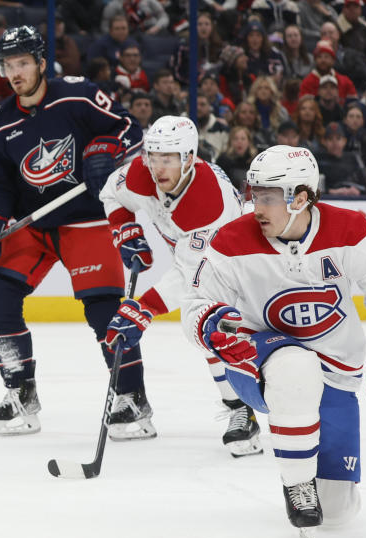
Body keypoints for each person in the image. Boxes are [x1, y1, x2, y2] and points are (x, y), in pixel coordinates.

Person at [180, 144, 366, 538]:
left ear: (302, 197)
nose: (256, 206)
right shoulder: (231, 240)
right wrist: (210, 325)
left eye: (268, 197)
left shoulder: (351, 230)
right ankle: (297, 482)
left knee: (338, 513)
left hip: (337, 372)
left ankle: (316, 479)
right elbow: (195, 304)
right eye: (254, 193)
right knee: (296, 365)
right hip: (256, 361)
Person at [0, 26, 142, 436]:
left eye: (23, 62)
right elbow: (0, 188)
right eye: (8, 64)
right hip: (35, 224)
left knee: (104, 313)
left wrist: (106, 151)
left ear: (42, 62)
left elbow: (130, 130)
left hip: (87, 219)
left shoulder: (76, 96)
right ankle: (21, 396)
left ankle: (133, 400)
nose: (15, 72)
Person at [100, 117, 259, 451]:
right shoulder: (140, 174)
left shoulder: (208, 202)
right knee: (208, 332)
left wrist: (143, 309)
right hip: (198, 262)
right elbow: (111, 192)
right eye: (153, 156)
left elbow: (191, 276)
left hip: (241, 262)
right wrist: (125, 229)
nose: (158, 166)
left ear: (189, 157)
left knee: (224, 331)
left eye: (168, 158)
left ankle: (251, 406)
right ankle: (240, 407)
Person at [316, 121, 366, 195]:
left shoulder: (354, 158)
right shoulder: (318, 160)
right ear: (324, 142)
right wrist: (331, 192)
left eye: (338, 138)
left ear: (344, 141)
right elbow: (313, 188)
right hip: (328, 201)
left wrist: (358, 191)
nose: (334, 142)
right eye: (330, 139)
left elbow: (365, 185)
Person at [196, 92, 230, 160]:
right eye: (195, 104)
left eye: (202, 104)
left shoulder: (222, 129)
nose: (198, 108)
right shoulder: (180, 126)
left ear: (209, 107)